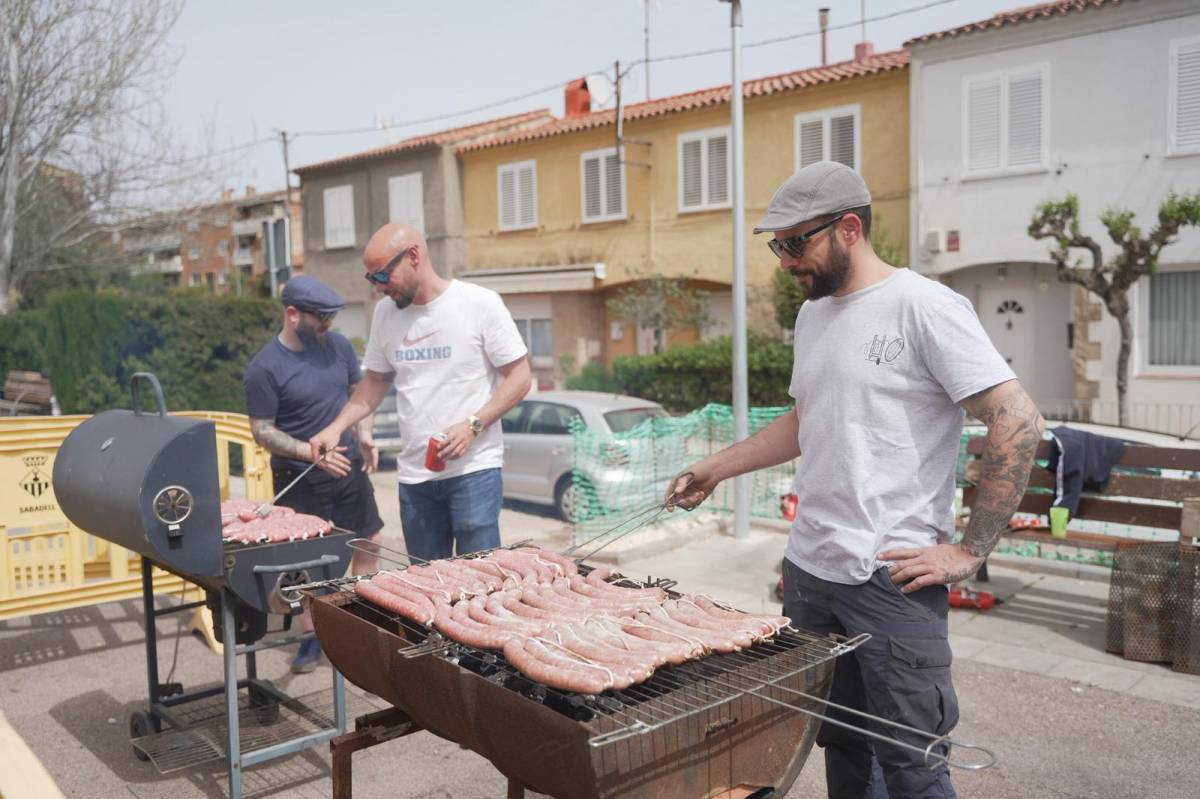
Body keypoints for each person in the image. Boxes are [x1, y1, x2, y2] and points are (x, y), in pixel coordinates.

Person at [666, 161, 1044, 798]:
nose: (786, 260)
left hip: (890, 579)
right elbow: (806, 419)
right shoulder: (812, 315)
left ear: (849, 228)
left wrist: (971, 550)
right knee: (841, 744)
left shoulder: (923, 305)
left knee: (913, 767)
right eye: (778, 246)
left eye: (796, 242)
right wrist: (716, 468)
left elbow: (1017, 417)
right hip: (811, 572)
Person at [309, 223, 532, 562]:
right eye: (371, 278)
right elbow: (375, 382)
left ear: (413, 255)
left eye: (382, 275)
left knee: (481, 575)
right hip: (415, 477)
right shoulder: (385, 314)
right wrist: (335, 428)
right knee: (425, 581)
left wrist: (473, 425)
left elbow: (520, 377)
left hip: (474, 470)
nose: (378, 287)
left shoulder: (479, 303)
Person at [243, 275, 385, 674]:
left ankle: (358, 622)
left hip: (347, 465)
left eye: (330, 317)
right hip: (300, 476)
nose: (329, 324)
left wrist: (366, 434)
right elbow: (262, 430)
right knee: (309, 562)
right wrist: (309, 452)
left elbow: (359, 395)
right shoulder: (264, 368)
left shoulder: (338, 347)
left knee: (369, 541)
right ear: (293, 314)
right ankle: (313, 636)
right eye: (321, 317)